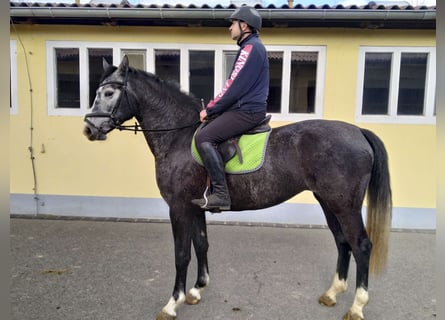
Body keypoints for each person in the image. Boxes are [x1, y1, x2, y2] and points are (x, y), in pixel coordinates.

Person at [191, 6, 269, 211]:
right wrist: (214, 107)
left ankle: (221, 194)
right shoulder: (250, 47)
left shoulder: (250, 48)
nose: (230, 28)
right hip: (245, 108)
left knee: (203, 138)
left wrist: (211, 110)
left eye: (232, 24)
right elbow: (232, 85)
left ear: (244, 25)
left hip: (247, 111)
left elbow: (234, 87)